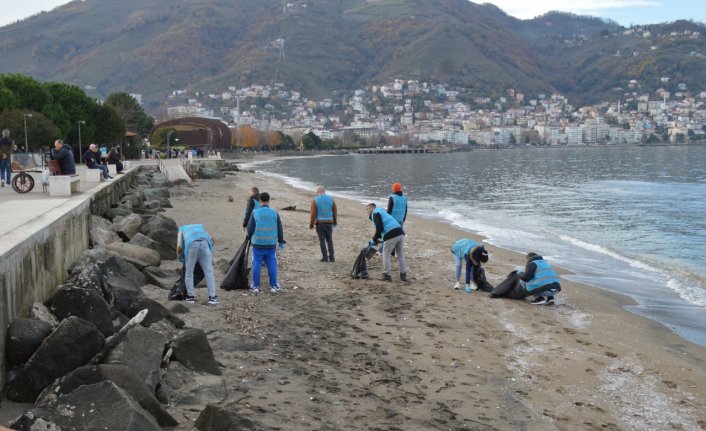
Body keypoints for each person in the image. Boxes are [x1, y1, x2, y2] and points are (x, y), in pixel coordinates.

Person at [246, 192, 286, 293]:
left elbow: (250, 228)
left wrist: (248, 238)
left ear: (260, 201)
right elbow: (279, 228)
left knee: (256, 263)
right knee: (272, 263)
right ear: (269, 200)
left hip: (257, 243)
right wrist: (281, 241)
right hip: (271, 244)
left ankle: (255, 286)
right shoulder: (274, 213)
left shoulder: (255, 212)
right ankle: (274, 286)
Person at [177, 224, 218, 304]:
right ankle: (213, 298)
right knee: (209, 273)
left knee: (189, 273)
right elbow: (211, 240)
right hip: (205, 244)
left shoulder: (181, 230)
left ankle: (190, 297)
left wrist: (181, 259)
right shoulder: (200, 228)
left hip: (191, 246)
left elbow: (179, 247)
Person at [367, 202, 407, 282]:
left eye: (367, 209)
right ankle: (403, 274)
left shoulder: (375, 213)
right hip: (400, 232)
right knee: (400, 253)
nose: (367, 211)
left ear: (372, 208)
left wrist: (374, 240)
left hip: (391, 233)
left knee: (386, 254)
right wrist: (379, 239)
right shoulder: (382, 212)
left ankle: (387, 275)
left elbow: (379, 229)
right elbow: (385, 226)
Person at [309, 185, 338, 262]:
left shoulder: (315, 200)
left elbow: (313, 213)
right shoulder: (331, 199)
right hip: (329, 222)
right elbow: (334, 212)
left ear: (317, 192)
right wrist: (335, 221)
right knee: (330, 240)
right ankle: (332, 257)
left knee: (322, 240)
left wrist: (311, 224)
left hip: (320, 223)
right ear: (324, 191)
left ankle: (325, 257)